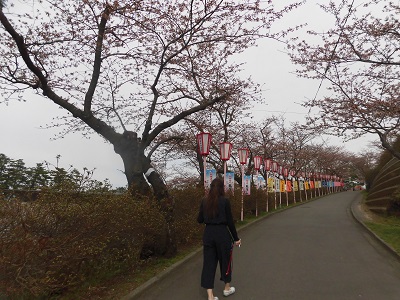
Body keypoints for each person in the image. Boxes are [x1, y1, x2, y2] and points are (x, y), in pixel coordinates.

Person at [197, 177, 241, 300]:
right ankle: (227, 288)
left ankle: (210, 296)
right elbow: (230, 222)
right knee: (225, 261)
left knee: (209, 264)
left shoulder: (204, 201)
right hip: (222, 234)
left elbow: (199, 220)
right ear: (222, 188)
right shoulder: (225, 201)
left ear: (210, 188)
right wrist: (236, 238)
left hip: (209, 234)